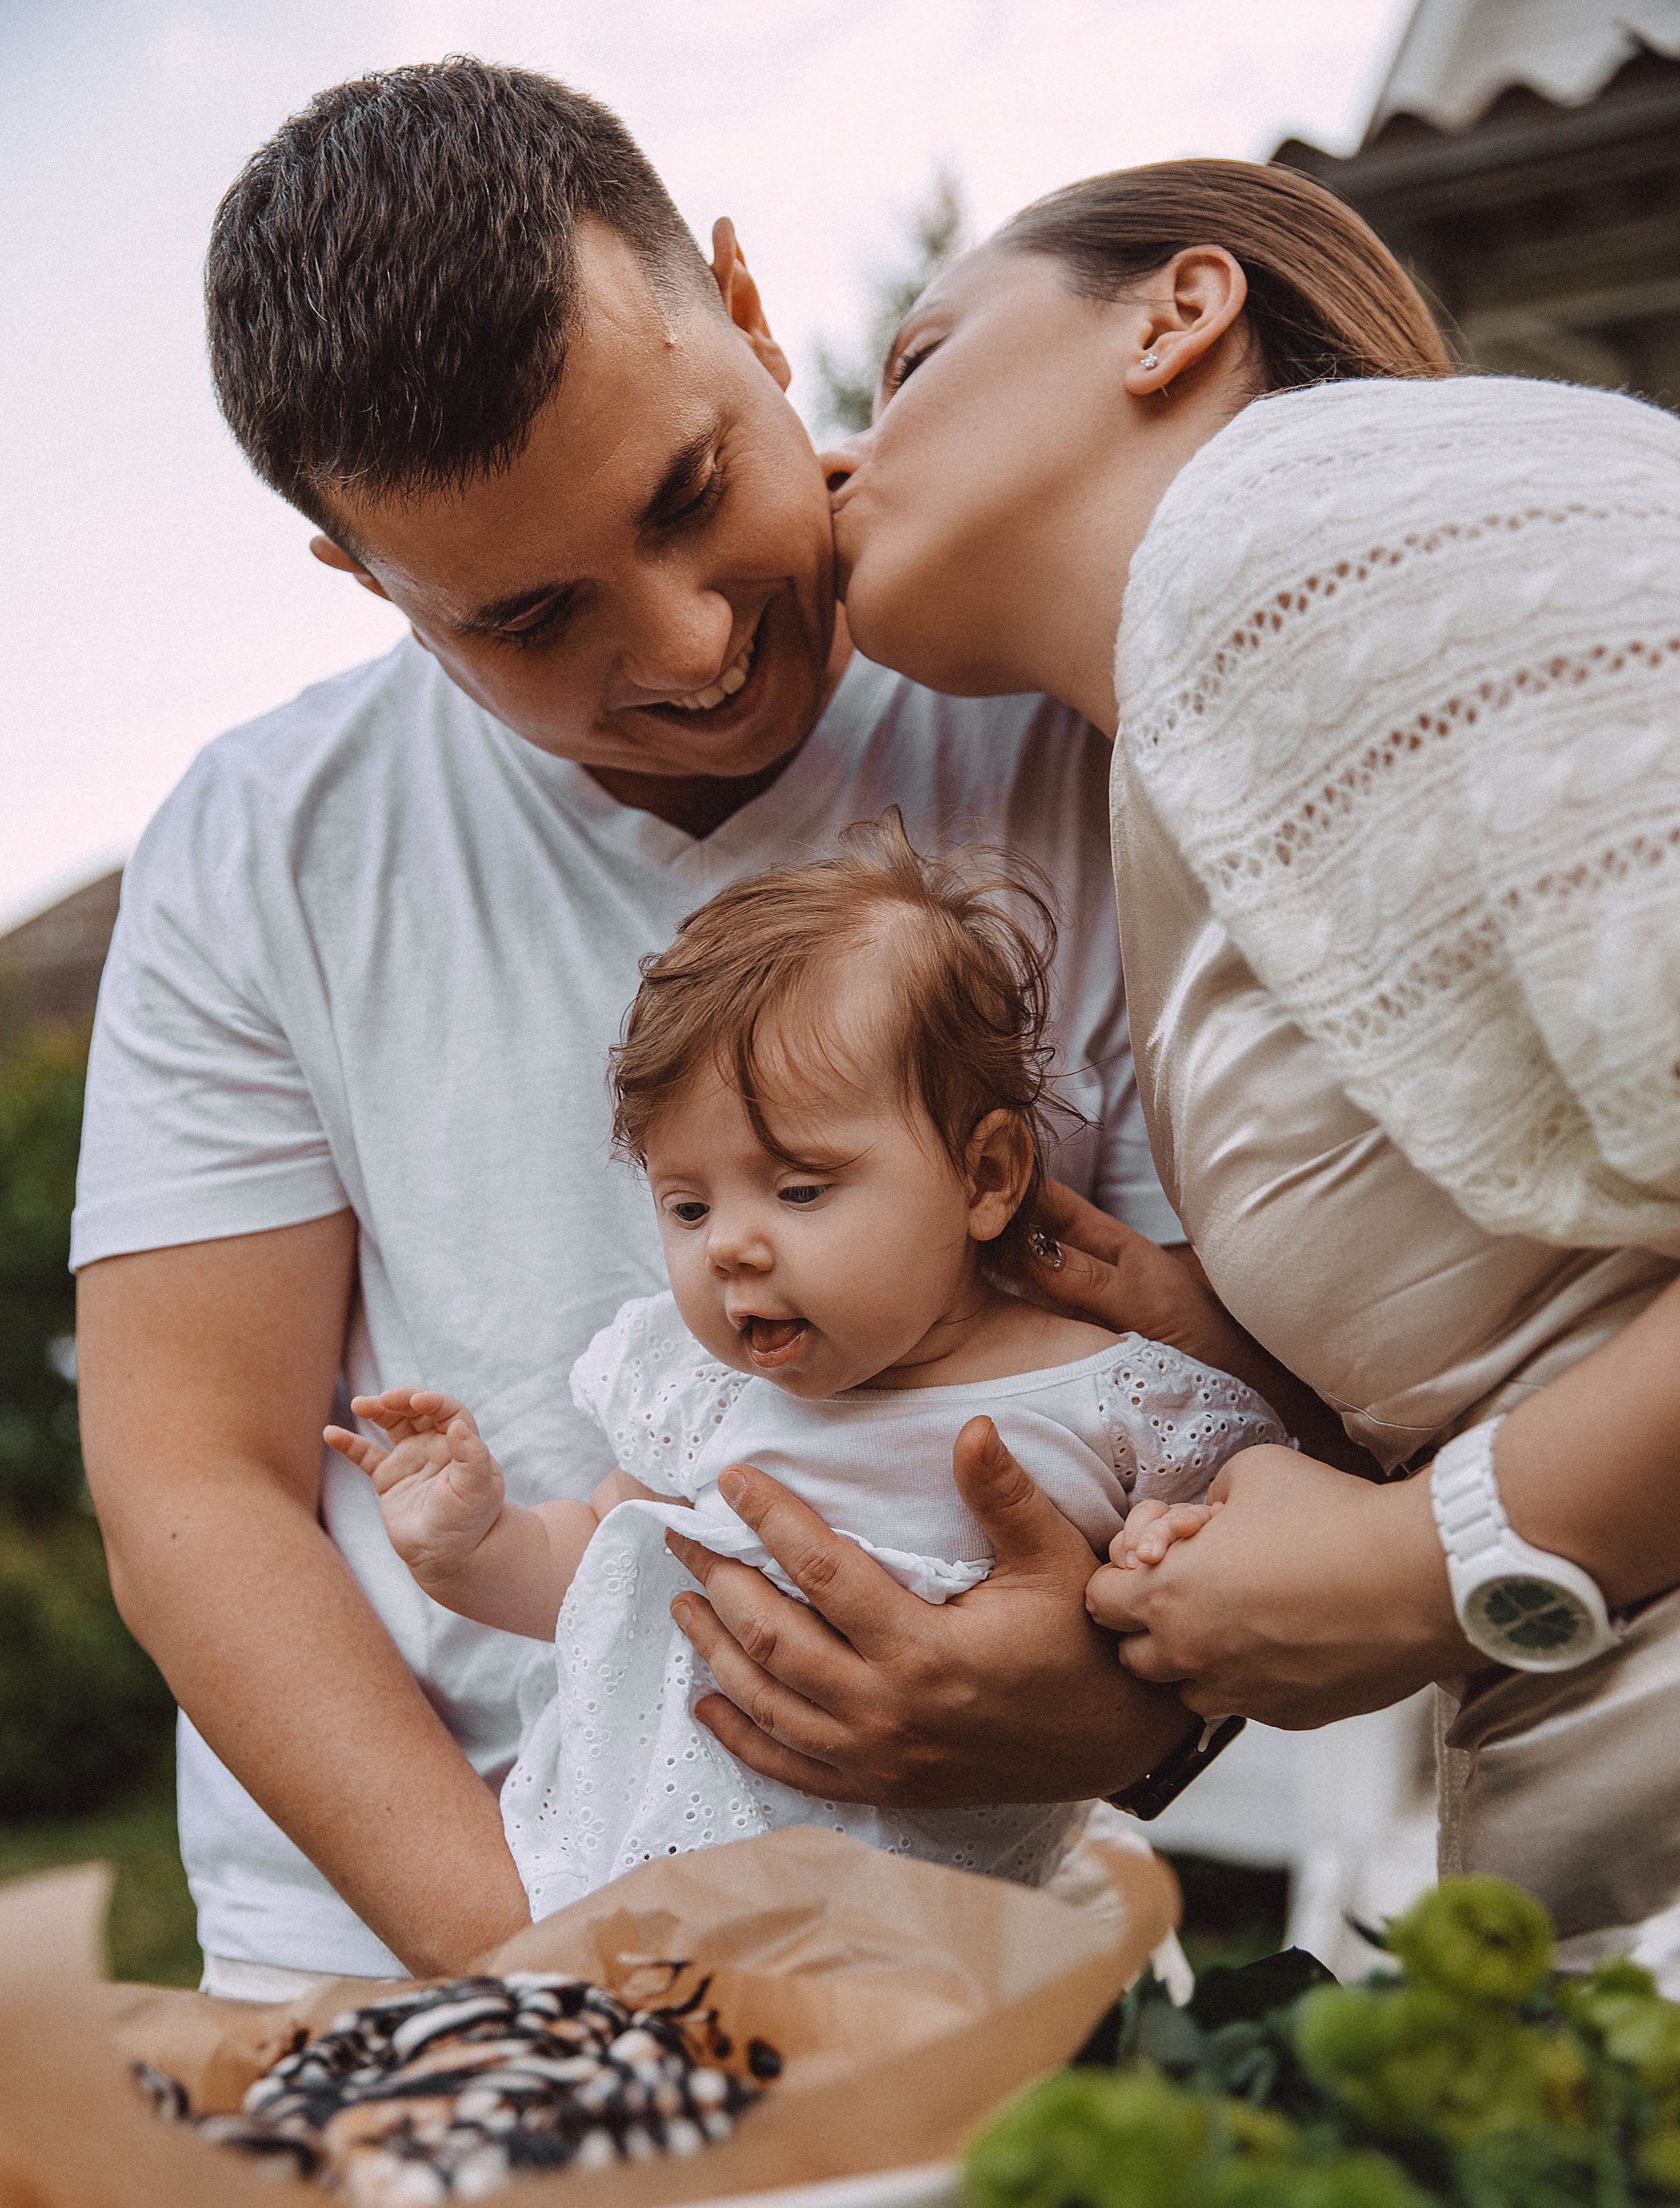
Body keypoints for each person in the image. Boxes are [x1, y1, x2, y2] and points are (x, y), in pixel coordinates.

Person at [71, 64, 1232, 1997]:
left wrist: (1129, 1710)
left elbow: (1277, 1379)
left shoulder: (1068, 687)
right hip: (402, 1959)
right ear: (369, 585)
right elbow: (193, 1480)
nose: (688, 647)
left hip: (972, 1937)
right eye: (533, 619)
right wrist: (564, 1979)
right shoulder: (263, 846)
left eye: (692, 492)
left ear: (751, 313)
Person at [683, 155, 1680, 1974]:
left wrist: (1425, 1569)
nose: (838, 461)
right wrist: (1236, 1362)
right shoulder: (1208, 710)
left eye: (910, 365)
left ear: (1177, 312)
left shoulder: (1297, 529)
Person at [324, 820, 1286, 1918]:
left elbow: (1260, 1556)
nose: (728, 1245)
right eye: (688, 1205)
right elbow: (601, 1575)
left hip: (955, 1945)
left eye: (798, 1189)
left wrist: (1178, 1554)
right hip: (652, 1910)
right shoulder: (707, 1399)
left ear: (987, 1176)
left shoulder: (1114, 1399)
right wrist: (474, 1546)